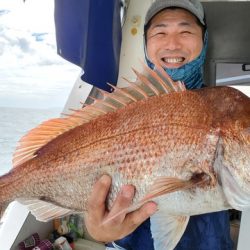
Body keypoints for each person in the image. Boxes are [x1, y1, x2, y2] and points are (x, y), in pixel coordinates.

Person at [84, 0, 233, 249]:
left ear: (204, 40)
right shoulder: (116, 113)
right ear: (146, 43)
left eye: (185, 31)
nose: (172, 44)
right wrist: (97, 230)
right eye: (160, 32)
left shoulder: (226, 110)